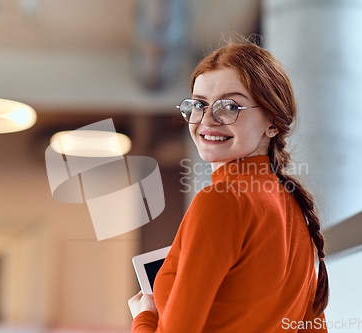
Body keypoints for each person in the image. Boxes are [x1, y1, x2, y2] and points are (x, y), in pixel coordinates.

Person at [128, 38, 329, 332]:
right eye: (198, 105)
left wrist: (144, 316)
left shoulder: (221, 200)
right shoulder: (297, 210)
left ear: (272, 122)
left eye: (230, 106)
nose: (208, 120)